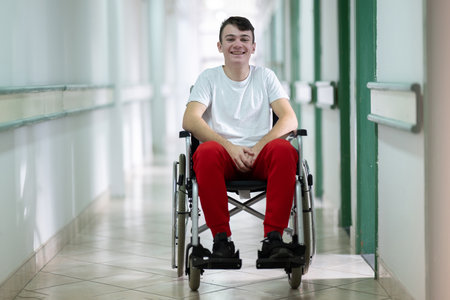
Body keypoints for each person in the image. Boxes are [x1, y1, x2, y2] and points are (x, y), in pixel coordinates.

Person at [182, 16, 299, 260]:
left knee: (284, 150)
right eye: (231, 38)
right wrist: (230, 148)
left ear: (253, 47)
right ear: (219, 46)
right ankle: (221, 241)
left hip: (260, 157)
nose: (238, 44)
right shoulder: (208, 78)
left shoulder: (265, 77)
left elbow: (289, 120)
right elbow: (190, 120)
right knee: (205, 152)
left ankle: (274, 240)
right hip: (222, 159)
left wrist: (258, 147)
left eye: (245, 39)